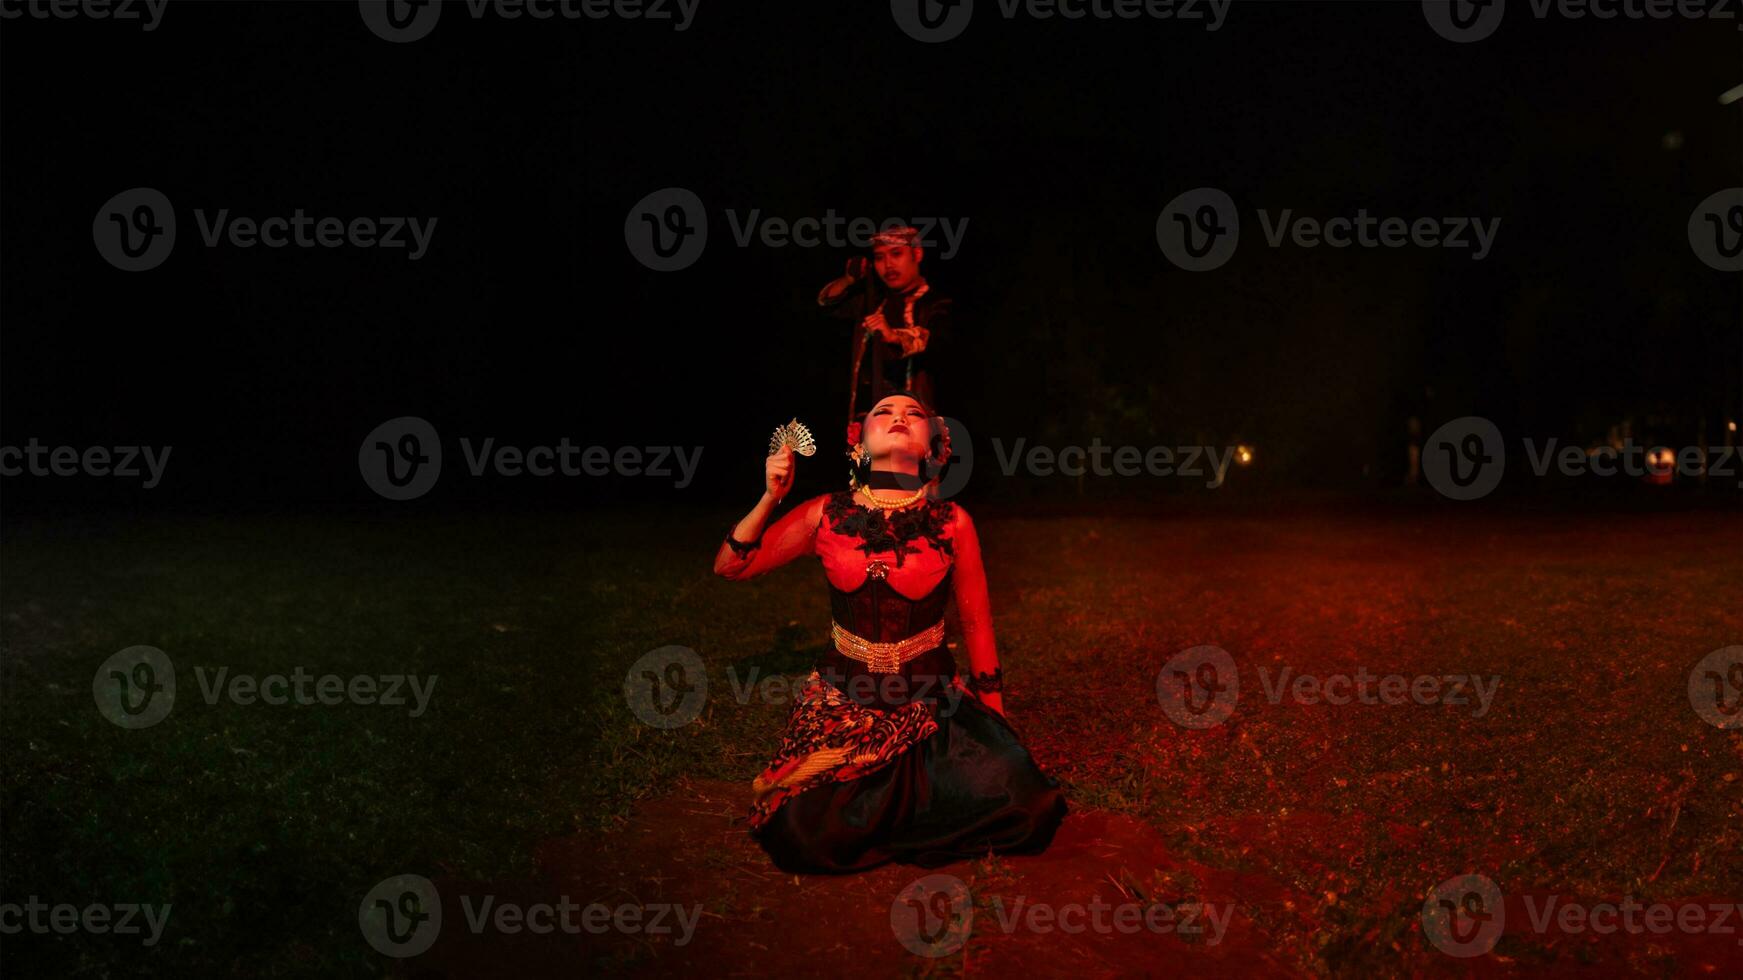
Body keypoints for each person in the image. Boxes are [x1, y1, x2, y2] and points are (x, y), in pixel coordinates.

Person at [713, 392, 1066, 873]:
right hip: (843, 707)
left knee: (1028, 805)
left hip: (932, 704)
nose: (899, 416)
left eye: (914, 414)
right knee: (803, 835)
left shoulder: (952, 522)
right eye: (884, 412)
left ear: (930, 449)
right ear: (859, 443)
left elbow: (978, 624)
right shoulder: (826, 513)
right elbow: (732, 566)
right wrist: (770, 497)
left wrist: (998, 723)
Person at [817, 227, 953, 415]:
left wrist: (894, 337)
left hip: (915, 422)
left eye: (896, 254)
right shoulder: (873, 302)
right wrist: (848, 280)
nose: (888, 264)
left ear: (917, 254)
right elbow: (827, 305)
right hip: (870, 418)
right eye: (880, 257)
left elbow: (936, 340)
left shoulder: (936, 304)